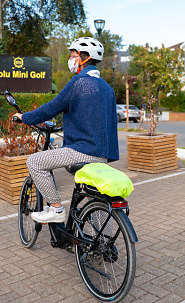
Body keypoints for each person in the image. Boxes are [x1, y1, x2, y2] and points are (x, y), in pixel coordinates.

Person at [14, 37, 118, 223]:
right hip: (102, 154)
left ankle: (56, 209)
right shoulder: (108, 89)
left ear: (84, 58)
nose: (70, 59)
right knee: (96, 195)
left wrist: (25, 117)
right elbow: (110, 124)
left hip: (81, 152)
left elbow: (51, 108)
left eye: (73, 55)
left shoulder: (79, 82)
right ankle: (103, 242)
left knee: (35, 162)